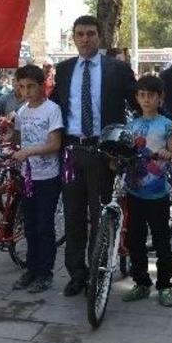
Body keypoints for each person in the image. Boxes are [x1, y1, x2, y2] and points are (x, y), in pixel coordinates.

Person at [50, 15, 138, 297]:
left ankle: (98, 272)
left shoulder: (117, 70)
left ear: (99, 36)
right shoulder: (63, 70)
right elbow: (53, 108)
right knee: (73, 215)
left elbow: (139, 104)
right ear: (73, 38)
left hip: (105, 151)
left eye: (90, 33)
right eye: (80, 34)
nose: (85, 39)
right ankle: (77, 274)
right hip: (72, 151)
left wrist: (164, 124)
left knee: (100, 215)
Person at [122, 75, 172, 307]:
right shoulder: (131, 124)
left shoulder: (166, 124)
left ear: (160, 98)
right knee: (135, 240)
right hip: (133, 193)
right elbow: (124, 148)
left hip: (158, 194)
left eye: (151, 95)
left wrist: (168, 149)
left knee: (161, 241)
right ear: (136, 97)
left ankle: (164, 286)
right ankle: (141, 283)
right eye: (142, 95)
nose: (146, 99)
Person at [10, 64, 63, 293]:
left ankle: (45, 272)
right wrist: (10, 144)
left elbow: (55, 144)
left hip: (47, 177)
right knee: (30, 225)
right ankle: (31, 269)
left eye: (31, 86)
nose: (27, 92)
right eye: (22, 87)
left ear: (42, 86)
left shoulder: (52, 110)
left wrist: (28, 152)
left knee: (44, 225)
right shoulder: (22, 112)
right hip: (27, 176)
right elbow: (18, 140)